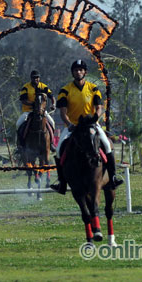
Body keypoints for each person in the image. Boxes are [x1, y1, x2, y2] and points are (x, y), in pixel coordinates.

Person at [50, 59, 123, 194]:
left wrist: (96, 118)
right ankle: (62, 182)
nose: (78, 72)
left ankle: (113, 177)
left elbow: (99, 108)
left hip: (91, 125)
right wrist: (69, 124)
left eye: (81, 70)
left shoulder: (93, 88)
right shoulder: (65, 90)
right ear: (73, 72)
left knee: (107, 145)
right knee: (60, 149)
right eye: (76, 70)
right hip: (74, 126)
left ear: (85, 72)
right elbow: (63, 112)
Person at [16, 70, 56, 151]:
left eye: (37, 77)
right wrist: (33, 104)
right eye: (34, 78)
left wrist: (53, 104)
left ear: (39, 78)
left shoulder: (43, 87)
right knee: (18, 124)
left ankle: (51, 143)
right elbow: (23, 100)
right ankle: (20, 144)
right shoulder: (25, 87)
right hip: (29, 111)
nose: (36, 79)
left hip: (41, 111)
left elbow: (52, 97)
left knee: (52, 122)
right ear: (31, 78)